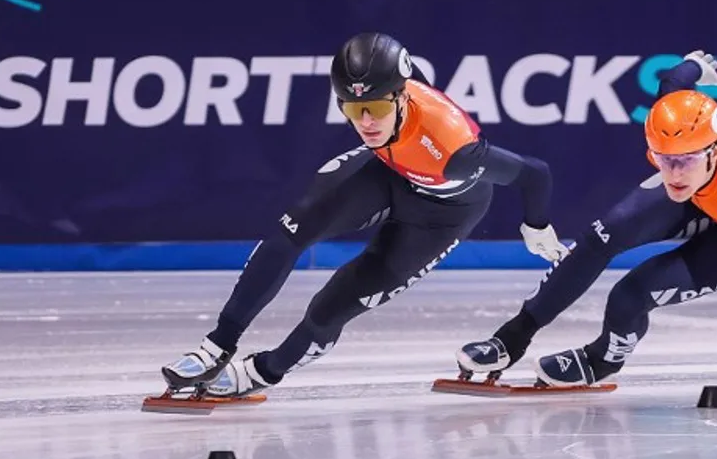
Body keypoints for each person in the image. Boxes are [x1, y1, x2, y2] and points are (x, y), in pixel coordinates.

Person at [160, 32, 568, 397]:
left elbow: (536, 173)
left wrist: (536, 226)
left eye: (375, 107)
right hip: (388, 174)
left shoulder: (455, 151)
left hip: (441, 215)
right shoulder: (393, 87)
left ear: (401, 97)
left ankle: (262, 372)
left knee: (330, 308)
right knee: (292, 229)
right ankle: (217, 345)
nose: (367, 122)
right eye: (353, 110)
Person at [454, 50, 717, 387]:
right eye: (661, 159)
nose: (672, 174)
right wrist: (696, 65)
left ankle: (602, 360)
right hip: (707, 191)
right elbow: (674, 80)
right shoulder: (677, 131)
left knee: (631, 296)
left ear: (714, 150)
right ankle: (514, 335)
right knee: (603, 235)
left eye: (684, 161)